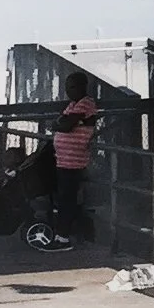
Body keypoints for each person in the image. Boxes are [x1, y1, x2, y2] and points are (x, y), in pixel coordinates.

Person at [46, 71, 100, 244]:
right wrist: (63, 124)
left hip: (74, 161)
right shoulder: (72, 105)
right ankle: (78, 231)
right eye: (67, 87)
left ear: (83, 87)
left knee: (67, 199)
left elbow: (66, 125)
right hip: (64, 160)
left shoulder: (86, 104)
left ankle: (62, 237)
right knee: (65, 197)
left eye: (72, 87)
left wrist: (62, 124)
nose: (69, 91)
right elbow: (61, 121)